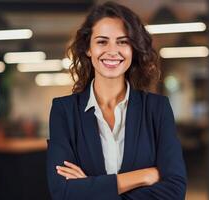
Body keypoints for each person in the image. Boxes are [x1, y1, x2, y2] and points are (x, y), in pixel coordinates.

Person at [47, 2, 186, 199]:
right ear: (88, 48)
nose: (113, 51)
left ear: (134, 49)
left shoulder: (157, 109)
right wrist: (144, 176)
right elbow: (63, 192)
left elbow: (175, 191)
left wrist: (90, 189)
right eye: (102, 42)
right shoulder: (64, 111)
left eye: (123, 42)